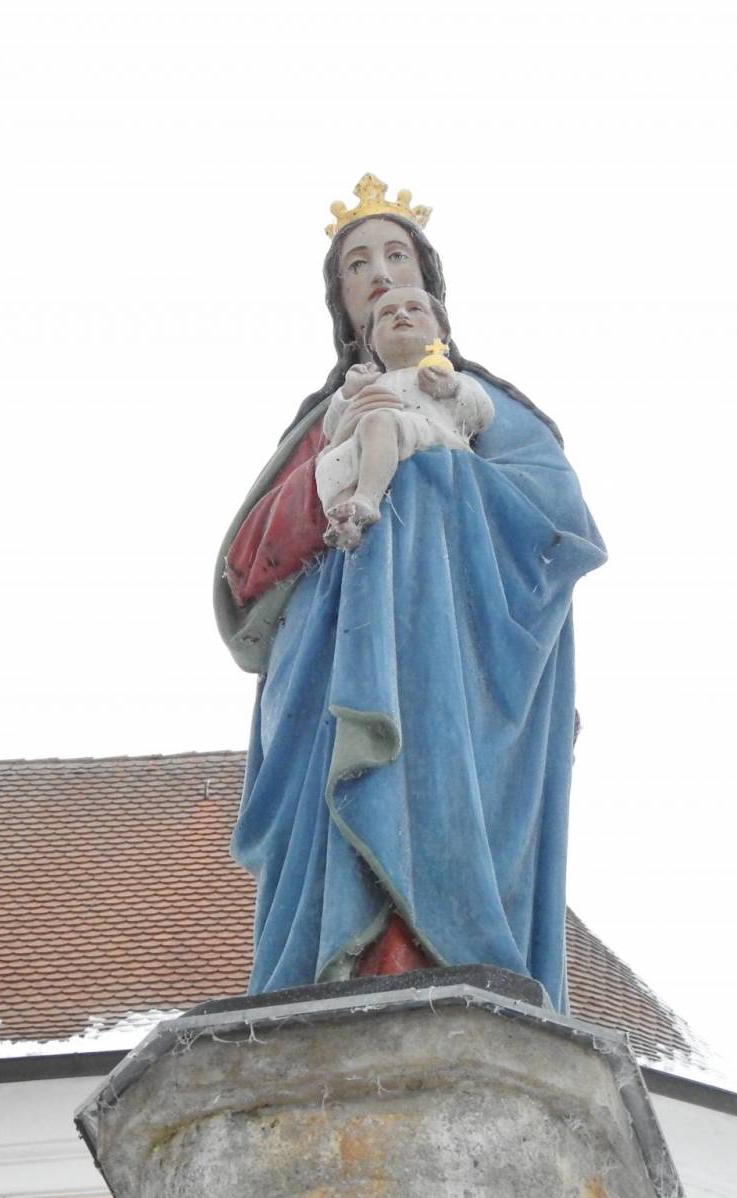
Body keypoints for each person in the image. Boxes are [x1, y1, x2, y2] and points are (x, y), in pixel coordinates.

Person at [214, 177, 605, 1011]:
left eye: (397, 256)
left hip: (455, 663)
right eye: (359, 265)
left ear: (431, 290)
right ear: (343, 302)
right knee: (337, 818)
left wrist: (434, 479)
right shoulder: (327, 417)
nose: (381, 274)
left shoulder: (485, 403)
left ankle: (443, 956)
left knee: (438, 802)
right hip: (332, 654)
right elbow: (246, 570)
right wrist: (335, 474)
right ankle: (336, 966)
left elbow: (561, 522)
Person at [317, 286, 493, 550]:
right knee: (329, 463)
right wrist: (349, 392)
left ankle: (366, 499)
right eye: (387, 314)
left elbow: (482, 413)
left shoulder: (450, 377)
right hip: (369, 446)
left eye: (414, 309)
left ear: (442, 332)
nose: (400, 315)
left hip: (429, 435)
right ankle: (344, 522)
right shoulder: (371, 383)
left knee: (380, 421)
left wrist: (449, 388)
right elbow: (332, 428)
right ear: (371, 341)